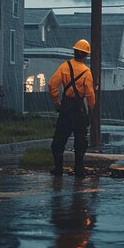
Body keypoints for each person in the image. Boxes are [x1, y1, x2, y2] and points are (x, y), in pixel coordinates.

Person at [48, 39, 96, 177]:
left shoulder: (64, 66)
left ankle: (58, 168)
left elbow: (52, 85)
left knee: (58, 141)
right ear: (85, 55)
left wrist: (57, 102)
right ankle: (79, 169)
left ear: (75, 52)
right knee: (80, 141)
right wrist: (91, 109)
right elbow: (90, 95)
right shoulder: (86, 72)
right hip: (79, 110)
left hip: (65, 109)